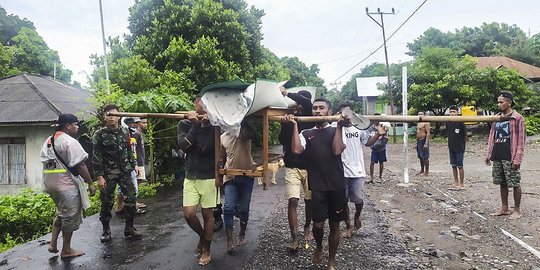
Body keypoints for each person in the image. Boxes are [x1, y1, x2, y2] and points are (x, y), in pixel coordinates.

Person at [285, 98, 385, 270]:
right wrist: (293, 125)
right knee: (317, 225)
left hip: (337, 186)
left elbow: (337, 150)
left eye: (321, 108)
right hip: (317, 186)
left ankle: (331, 261)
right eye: (315, 108)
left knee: (334, 225)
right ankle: (319, 246)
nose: (317, 111)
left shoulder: (337, 130)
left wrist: (339, 127)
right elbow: (296, 150)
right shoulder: (306, 133)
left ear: (329, 112)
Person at [40, 114, 96, 258]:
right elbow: (81, 165)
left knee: (61, 212)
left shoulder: (49, 140)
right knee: (69, 217)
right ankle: (66, 250)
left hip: (50, 184)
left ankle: (53, 244)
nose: (77, 127)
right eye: (75, 124)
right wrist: (90, 183)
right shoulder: (69, 142)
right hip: (66, 186)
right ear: (67, 126)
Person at [333, 102, 386, 239]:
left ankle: (357, 216)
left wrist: (378, 135)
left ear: (352, 114)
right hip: (340, 171)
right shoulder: (335, 128)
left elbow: (367, 143)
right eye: (342, 113)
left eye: (348, 113)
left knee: (357, 198)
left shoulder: (359, 128)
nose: (345, 116)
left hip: (357, 170)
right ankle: (349, 226)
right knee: (342, 201)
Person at [177, 97, 219, 265]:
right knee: (189, 214)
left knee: (208, 215)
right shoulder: (185, 124)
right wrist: (196, 125)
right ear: (195, 103)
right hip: (191, 175)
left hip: (209, 176)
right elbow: (183, 146)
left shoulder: (215, 125)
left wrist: (206, 125)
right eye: (202, 101)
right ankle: (203, 236)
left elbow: (207, 147)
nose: (205, 104)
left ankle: (207, 249)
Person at [93, 104, 141, 242]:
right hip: (108, 173)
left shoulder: (125, 132)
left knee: (131, 198)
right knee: (107, 202)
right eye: (108, 115)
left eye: (114, 115)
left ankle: (129, 228)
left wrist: (134, 165)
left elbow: (128, 150)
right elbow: (96, 156)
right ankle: (106, 230)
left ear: (119, 116)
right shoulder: (99, 134)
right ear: (104, 117)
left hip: (125, 171)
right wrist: (100, 176)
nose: (111, 118)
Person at [279, 87, 314, 252]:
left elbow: (307, 102)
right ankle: (294, 237)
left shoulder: (312, 118)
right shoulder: (290, 117)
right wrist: (286, 124)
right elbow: (282, 140)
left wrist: (286, 92)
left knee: (309, 201)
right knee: (293, 200)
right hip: (292, 165)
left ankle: (307, 227)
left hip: (310, 166)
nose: (298, 106)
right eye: (296, 103)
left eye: (300, 103)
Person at [485, 92, 526, 220]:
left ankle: (517, 210)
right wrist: (488, 154)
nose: (499, 104)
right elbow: (492, 136)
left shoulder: (518, 118)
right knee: (502, 182)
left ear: (509, 102)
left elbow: (521, 140)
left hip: (511, 155)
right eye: (498, 102)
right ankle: (504, 208)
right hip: (498, 154)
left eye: (501, 102)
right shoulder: (496, 118)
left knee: (514, 182)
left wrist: (517, 158)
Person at [220, 121, 256, 254]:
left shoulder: (244, 132)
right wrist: (219, 177)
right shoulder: (222, 137)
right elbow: (222, 158)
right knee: (228, 208)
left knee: (244, 209)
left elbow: (252, 135)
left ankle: (242, 234)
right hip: (230, 177)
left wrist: (243, 124)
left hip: (247, 176)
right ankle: (229, 241)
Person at [115, 117, 146, 215]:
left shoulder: (135, 134)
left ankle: (128, 205)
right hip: (124, 165)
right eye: (131, 123)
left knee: (131, 185)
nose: (134, 124)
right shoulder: (121, 135)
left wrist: (136, 163)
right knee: (130, 187)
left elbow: (132, 151)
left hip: (132, 163)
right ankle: (130, 207)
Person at [446, 105, 467, 190]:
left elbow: (465, 135)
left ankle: (461, 183)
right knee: (453, 165)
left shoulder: (461, 122)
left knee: (460, 166)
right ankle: (456, 182)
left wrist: (464, 146)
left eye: (454, 112)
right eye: (450, 112)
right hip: (451, 147)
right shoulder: (448, 122)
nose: (452, 113)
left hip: (459, 147)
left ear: (457, 113)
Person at [368, 113, 389, 183]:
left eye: (377, 118)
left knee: (381, 162)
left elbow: (386, 138)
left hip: (381, 148)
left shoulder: (383, 127)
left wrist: (382, 143)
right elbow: (368, 137)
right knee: (372, 162)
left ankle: (380, 177)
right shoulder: (371, 128)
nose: (376, 120)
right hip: (374, 148)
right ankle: (371, 178)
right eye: (375, 118)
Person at [415, 111, 431, 176]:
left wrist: (426, 143)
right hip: (419, 140)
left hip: (424, 140)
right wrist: (416, 143)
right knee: (420, 156)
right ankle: (422, 170)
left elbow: (428, 133)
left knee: (425, 156)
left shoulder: (426, 122)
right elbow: (418, 133)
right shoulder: (418, 123)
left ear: (424, 115)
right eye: (419, 114)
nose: (420, 115)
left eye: (421, 114)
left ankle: (426, 171)